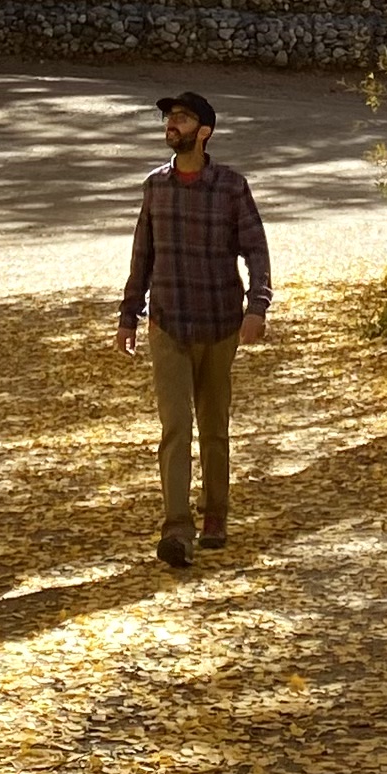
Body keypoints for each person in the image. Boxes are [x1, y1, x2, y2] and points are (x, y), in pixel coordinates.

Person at [116, 86, 271, 570]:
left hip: (220, 323)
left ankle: (216, 516)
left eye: (181, 119)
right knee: (175, 427)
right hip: (168, 323)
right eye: (169, 119)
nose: (172, 126)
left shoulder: (230, 187)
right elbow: (143, 254)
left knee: (213, 427)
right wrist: (128, 314)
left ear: (203, 132)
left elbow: (256, 251)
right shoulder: (155, 186)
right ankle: (177, 530)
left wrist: (257, 307)